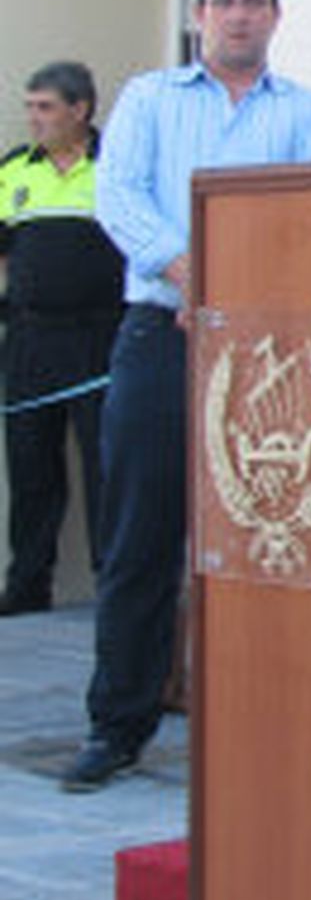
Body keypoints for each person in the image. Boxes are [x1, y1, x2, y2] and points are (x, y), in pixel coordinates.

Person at [63, 0, 311, 791]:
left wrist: (246, 299)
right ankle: (117, 724)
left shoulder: (308, 113)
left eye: (254, 0)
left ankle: (273, 720)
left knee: (275, 539)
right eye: (223, 0)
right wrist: (198, 275)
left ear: (276, 13)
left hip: (273, 355)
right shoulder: (149, 99)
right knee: (141, 537)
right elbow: (121, 199)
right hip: (163, 336)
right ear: (199, 13)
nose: (238, 14)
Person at [0, 63, 124, 617]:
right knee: (30, 472)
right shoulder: (12, 171)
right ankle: (27, 589)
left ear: (81, 110)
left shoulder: (116, 165)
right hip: (29, 342)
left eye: (45, 107)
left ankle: (111, 588)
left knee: (108, 469)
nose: (34, 118)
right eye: (30, 107)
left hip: (100, 340)